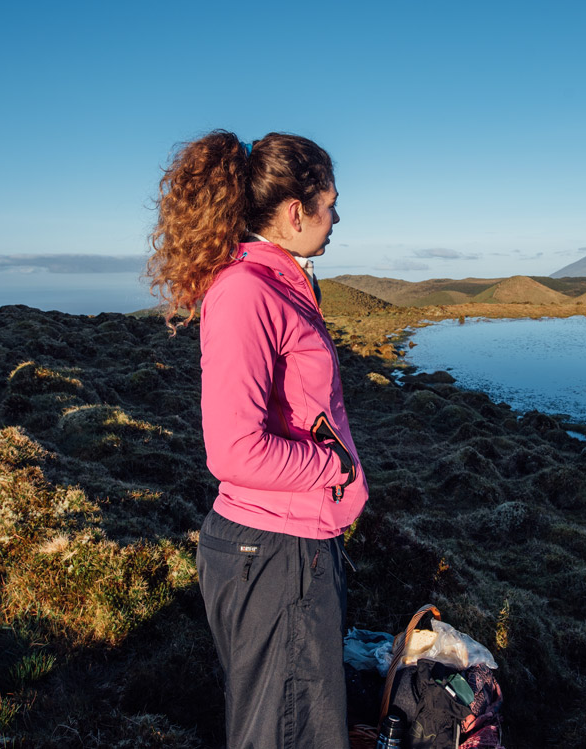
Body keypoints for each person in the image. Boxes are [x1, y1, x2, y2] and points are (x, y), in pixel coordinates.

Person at [147, 130, 369, 748]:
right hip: (277, 553)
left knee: (279, 728)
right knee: (290, 735)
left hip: (284, 548)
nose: (338, 216)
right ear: (296, 211)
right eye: (330, 203)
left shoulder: (278, 283)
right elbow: (233, 449)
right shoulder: (247, 291)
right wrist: (333, 469)